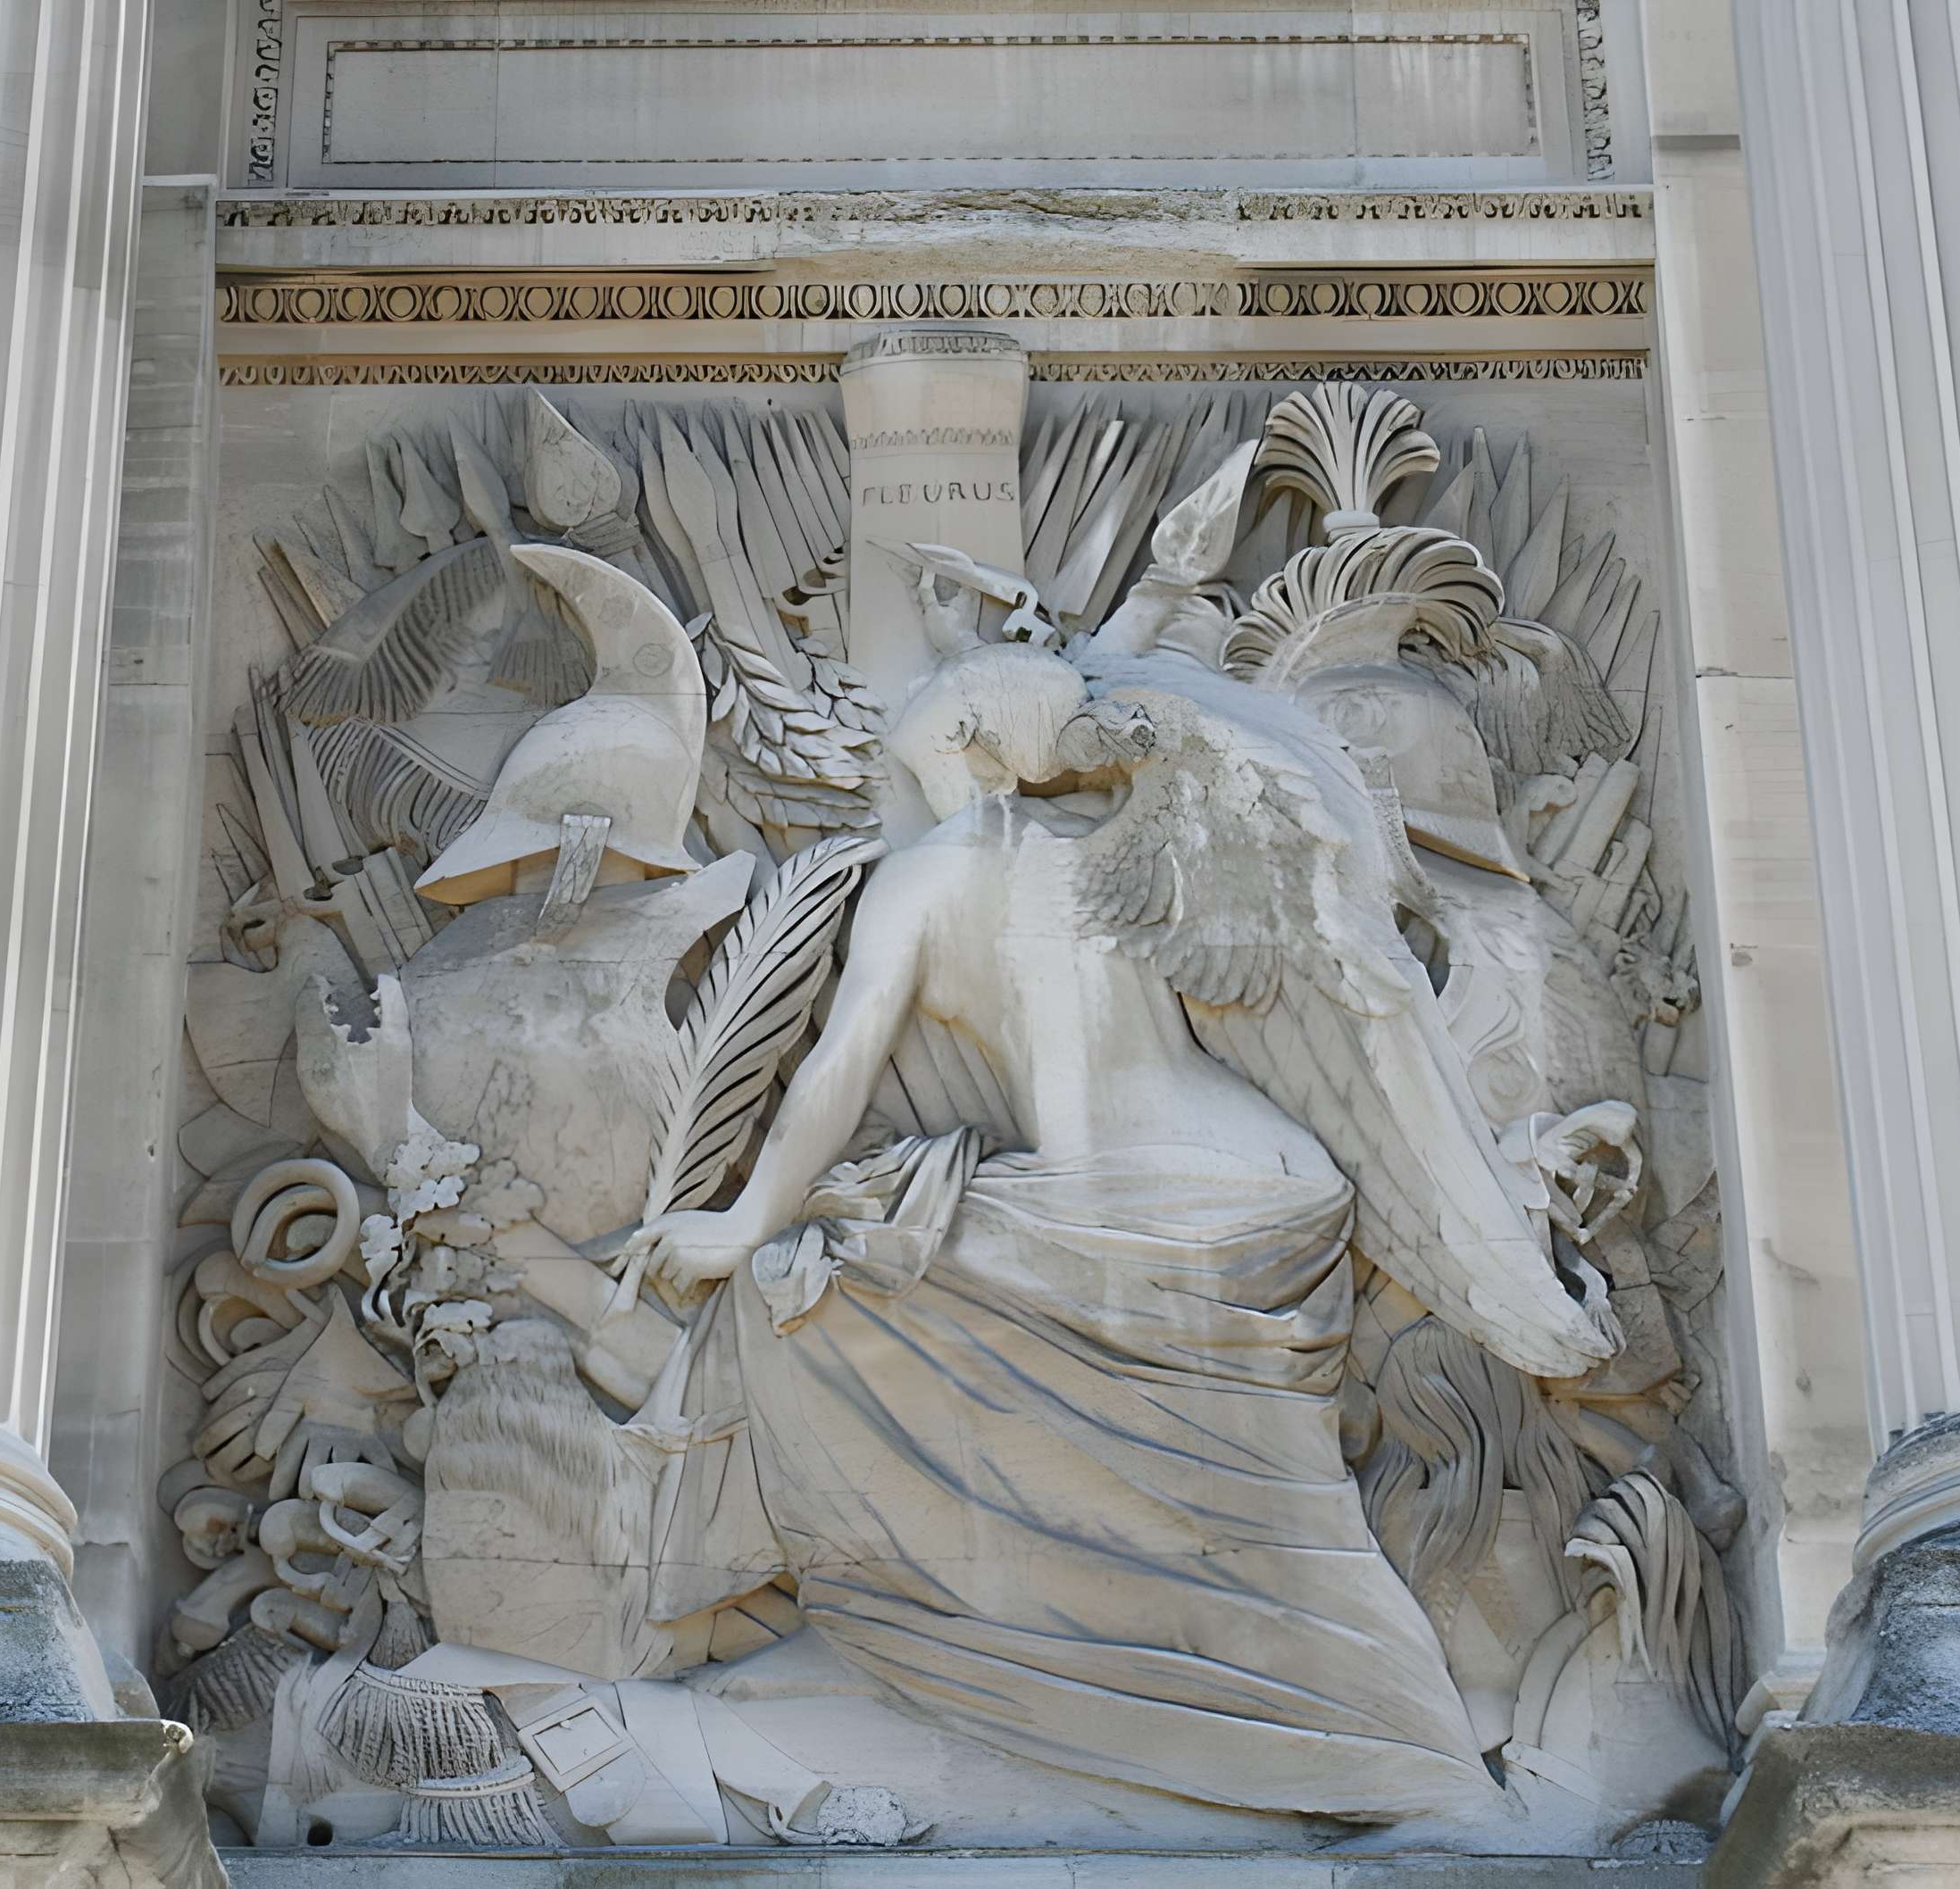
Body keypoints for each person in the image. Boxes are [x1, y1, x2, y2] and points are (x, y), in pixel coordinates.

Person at [614, 644, 1510, 1821]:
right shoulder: (1129, 849)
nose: (911, 786)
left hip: (1130, 1208)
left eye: (920, 754)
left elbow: (835, 1073)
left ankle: (953, 1631)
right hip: (1272, 1187)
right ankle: (1422, 1767)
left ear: (971, 741)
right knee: (1283, 1527)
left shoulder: (930, 876)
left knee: (813, 1281)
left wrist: (741, 1222)